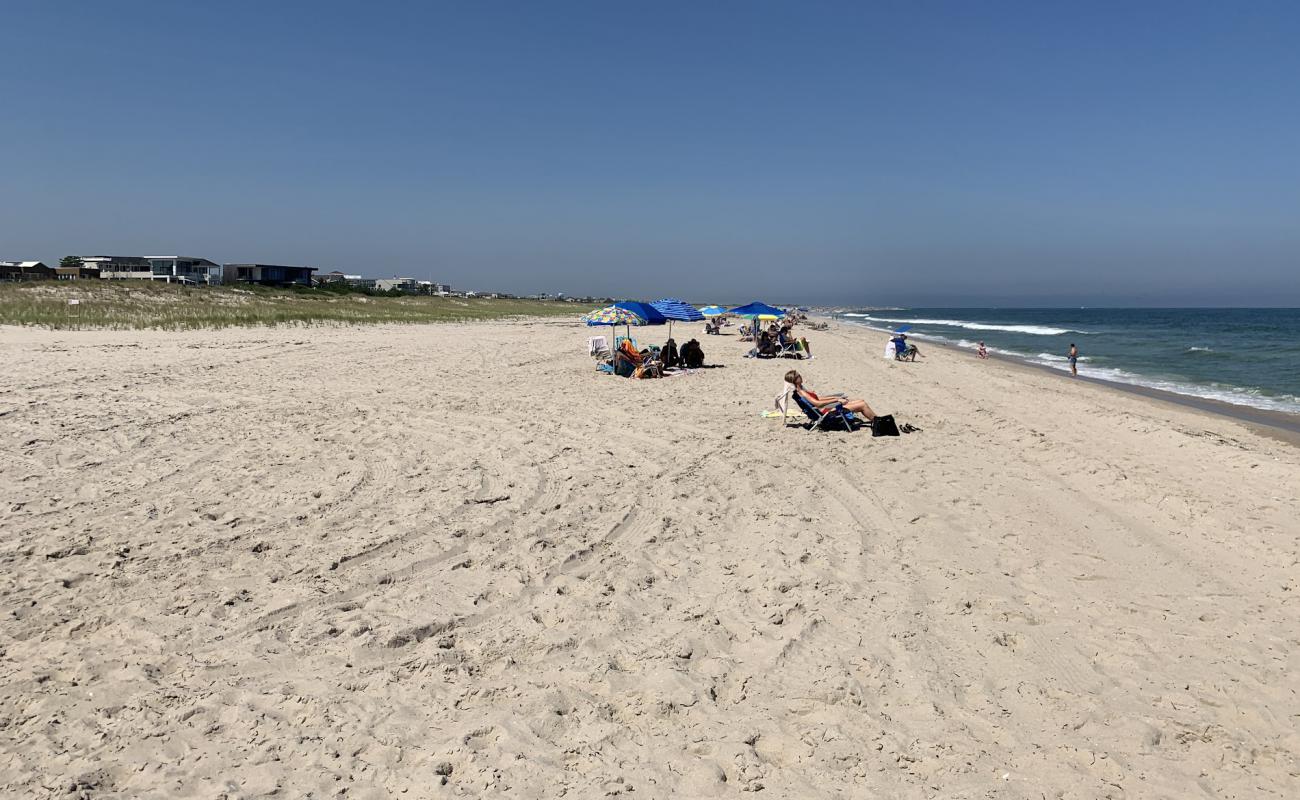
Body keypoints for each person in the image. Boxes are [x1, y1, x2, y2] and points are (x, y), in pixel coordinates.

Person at [785, 370, 876, 422]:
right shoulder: (801, 392)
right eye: (799, 376)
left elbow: (818, 398)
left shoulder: (801, 389)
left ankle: (877, 420)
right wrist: (837, 401)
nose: (801, 376)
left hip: (825, 409)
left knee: (861, 401)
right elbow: (818, 404)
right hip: (826, 412)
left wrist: (836, 398)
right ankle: (878, 423)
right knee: (862, 404)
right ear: (795, 380)